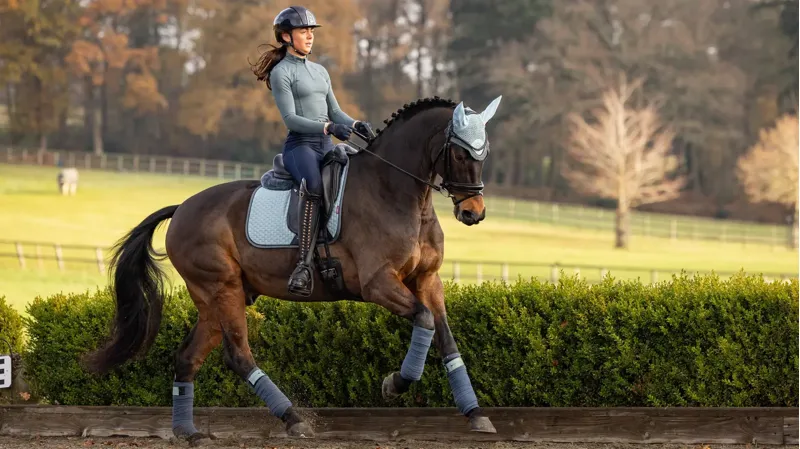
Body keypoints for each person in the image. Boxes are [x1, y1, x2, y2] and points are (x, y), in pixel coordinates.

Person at [250, 6, 372, 297]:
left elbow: (336, 111)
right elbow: (291, 119)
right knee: (314, 186)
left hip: (325, 145)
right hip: (300, 147)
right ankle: (303, 266)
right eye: (304, 31)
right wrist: (328, 128)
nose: (309, 36)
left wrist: (355, 123)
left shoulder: (320, 71)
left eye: (311, 32)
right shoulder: (282, 73)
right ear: (286, 36)